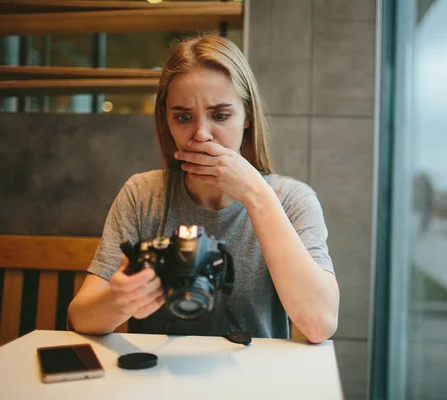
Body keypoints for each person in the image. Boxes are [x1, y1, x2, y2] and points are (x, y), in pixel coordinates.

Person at [67, 34, 339, 344]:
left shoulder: (293, 200)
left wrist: (256, 194)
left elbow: (320, 324)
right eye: (183, 117)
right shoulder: (142, 195)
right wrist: (119, 302)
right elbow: (81, 318)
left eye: (220, 115)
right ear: (165, 120)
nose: (201, 135)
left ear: (247, 116)